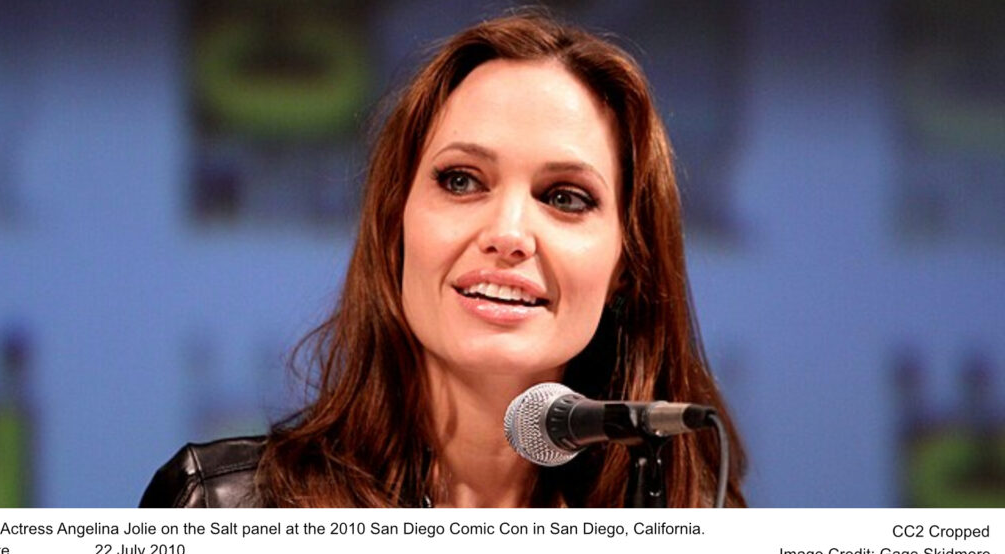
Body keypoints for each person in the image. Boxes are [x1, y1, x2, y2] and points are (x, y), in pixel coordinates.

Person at [140, 11, 745, 508]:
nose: (509, 234)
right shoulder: (224, 510)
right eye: (461, 181)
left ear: (626, 267)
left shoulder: (705, 531)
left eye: (565, 197)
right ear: (396, 227)